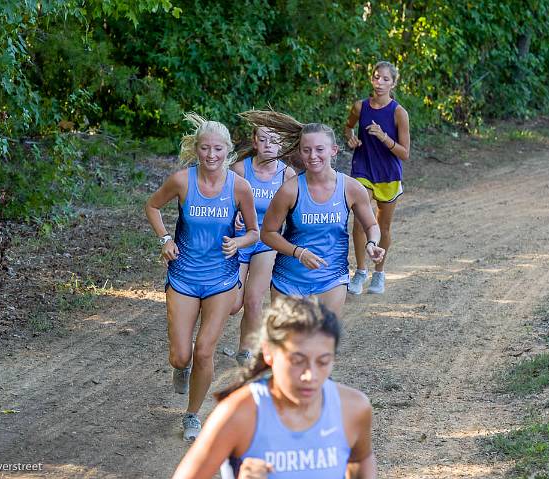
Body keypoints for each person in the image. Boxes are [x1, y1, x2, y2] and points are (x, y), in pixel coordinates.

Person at [145, 113, 259, 441]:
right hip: (183, 275)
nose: (211, 156)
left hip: (221, 278)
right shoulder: (182, 180)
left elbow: (254, 231)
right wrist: (165, 239)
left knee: (205, 350)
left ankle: (192, 415)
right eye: (205, 149)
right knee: (181, 354)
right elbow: (152, 206)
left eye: (218, 150)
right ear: (196, 150)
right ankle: (181, 368)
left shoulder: (239, 187)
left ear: (228, 151)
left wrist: (239, 241)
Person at [172, 296, 377, 479]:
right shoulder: (239, 414)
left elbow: (362, 460)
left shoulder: (353, 408)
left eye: (323, 361)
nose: (310, 376)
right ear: (268, 352)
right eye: (297, 361)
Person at [240, 110, 385, 317]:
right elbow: (268, 233)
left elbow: (371, 225)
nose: (313, 156)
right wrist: (299, 252)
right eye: (306, 150)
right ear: (299, 152)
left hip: (332, 277)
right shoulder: (290, 190)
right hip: (289, 278)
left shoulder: (351, 188)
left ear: (334, 150)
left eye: (319, 149)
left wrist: (372, 243)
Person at [230, 127, 296, 366]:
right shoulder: (240, 170)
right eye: (263, 139)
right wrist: (233, 214)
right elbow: (224, 201)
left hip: (267, 242)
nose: (269, 144)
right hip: (239, 240)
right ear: (255, 142)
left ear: (281, 145)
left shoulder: (287, 175)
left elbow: (295, 210)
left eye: (274, 140)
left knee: (254, 298)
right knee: (233, 304)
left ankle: (247, 350)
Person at [344, 61, 410, 295]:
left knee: (383, 226)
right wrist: (351, 138)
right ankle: (360, 271)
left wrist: (383, 137)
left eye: (385, 79)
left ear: (393, 83)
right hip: (363, 169)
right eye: (376, 77)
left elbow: (404, 153)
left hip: (389, 174)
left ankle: (378, 273)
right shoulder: (360, 107)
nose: (379, 83)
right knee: (361, 221)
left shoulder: (399, 113)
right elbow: (348, 127)